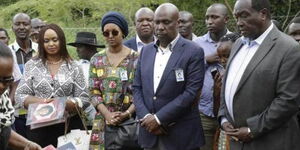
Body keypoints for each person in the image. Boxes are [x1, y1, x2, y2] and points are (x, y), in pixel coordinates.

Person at [218, 0, 300, 149]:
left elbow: (288, 100)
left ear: (263, 14)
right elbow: (228, 84)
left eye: (244, 16)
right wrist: (223, 117)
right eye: (236, 17)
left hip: (270, 142)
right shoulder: (238, 44)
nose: (239, 23)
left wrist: (252, 129)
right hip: (237, 140)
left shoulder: (289, 48)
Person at [133, 3, 205, 150]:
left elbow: (190, 93)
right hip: (149, 135)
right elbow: (137, 88)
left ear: (177, 23)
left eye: (166, 22)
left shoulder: (194, 51)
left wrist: (159, 119)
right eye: (157, 22)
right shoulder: (146, 52)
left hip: (181, 136)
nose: (159, 27)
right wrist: (147, 118)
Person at [15, 24, 91, 147]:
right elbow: (20, 95)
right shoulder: (32, 65)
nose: (51, 44)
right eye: (46, 41)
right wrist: (44, 101)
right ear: (41, 43)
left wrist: (68, 103)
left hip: (69, 127)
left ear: (61, 41)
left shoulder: (74, 66)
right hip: (39, 129)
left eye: (55, 40)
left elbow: (85, 98)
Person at [89, 11, 140, 150]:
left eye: (114, 32)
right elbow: (93, 92)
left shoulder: (136, 58)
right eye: (106, 33)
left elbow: (140, 91)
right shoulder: (96, 59)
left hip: (128, 123)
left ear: (123, 32)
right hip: (102, 123)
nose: (110, 36)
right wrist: (107, 114)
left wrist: (126, 114)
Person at [193, 3, 230, 150]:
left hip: (230, 113)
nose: (209, 21)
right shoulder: (197, 44)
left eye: (214, 17)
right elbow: (187, 71)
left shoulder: (237, 41)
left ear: (226, 19)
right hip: (204, 112)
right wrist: (205, 60)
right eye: (207, 17)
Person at [0, 42, 42, 150]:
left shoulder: (3, 101)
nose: (1, 86)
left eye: (6, 80)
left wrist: (27, 144)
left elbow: (3, 130)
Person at [9, 13, 38, 138]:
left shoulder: (42, 50)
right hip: (17, 116)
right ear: (12, 28)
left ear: (31, 27)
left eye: (25, 24)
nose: (21, 27)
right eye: (17, 24)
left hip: (41, 114)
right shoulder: (6, 52)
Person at [211, 33, 240, 150]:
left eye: (227, 56)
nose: (223, 61)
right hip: (226, 130)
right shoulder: (222, 76)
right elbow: (216, 113)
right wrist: (216, 93)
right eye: (220, 57)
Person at [0, 28, 22, 105]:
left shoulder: (11, 53)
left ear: (8, 39)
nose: (1, 41)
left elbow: (16, 81)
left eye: (3, 38)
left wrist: (9, 102)